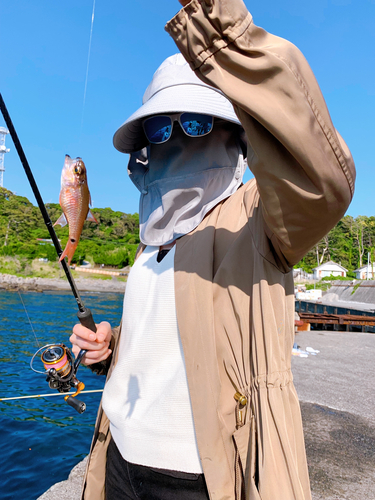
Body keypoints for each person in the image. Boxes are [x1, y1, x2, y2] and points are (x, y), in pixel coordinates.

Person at [70, 0, 355, 499]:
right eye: (161, 128)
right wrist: (110, 350)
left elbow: (323, 178)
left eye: (197, 122)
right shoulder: (148, 241)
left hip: (201, 478)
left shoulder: (259, 218)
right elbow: (169, 348)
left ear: (235, 134)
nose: (177, 137)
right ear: (145, 146)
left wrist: (219, 40)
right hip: (117, 457)